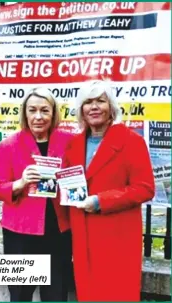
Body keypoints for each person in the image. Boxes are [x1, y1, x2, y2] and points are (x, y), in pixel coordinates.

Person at [64, 81, 155, 302]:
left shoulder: (132, 141)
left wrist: (100, 201)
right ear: (81, 110)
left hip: (117, 238)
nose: (93, 107)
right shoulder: (73, 144)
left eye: (100, 101)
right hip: (83, 236)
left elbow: (145, 188)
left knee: (117, 294)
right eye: (88, 102)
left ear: (111, 107)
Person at [0, 87, 73, 302]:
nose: (38, 116)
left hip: (58, 232)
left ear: (54, 114)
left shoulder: (70, 142)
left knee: (56, 294)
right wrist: (20, 183)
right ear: (24, 113)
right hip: (20, 234)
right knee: (20, 295)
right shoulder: (8, 145)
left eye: (45, 110)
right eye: (32, 110)